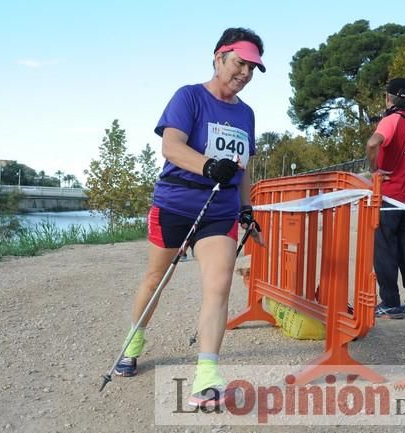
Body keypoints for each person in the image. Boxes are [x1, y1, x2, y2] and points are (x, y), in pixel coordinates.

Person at [114, 27, 266, 408]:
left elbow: (244, 168)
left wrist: (246, 209)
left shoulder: (246, 114)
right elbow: (171, 146)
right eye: (240, 63)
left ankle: (207, 376)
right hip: (176, 205)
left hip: (220, 211)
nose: (245, 73)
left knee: (219, 285)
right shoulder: (189, 97)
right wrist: (208, 166)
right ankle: (133, 341)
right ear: (219, 57)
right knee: (156, 279)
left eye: (252, 68)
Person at [366, 77, 405, 319]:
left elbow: (373, 144)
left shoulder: (390, 121)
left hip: (390, 197)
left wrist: (373, 170)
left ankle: (391, 303)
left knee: (384, 251)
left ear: (388, 97)